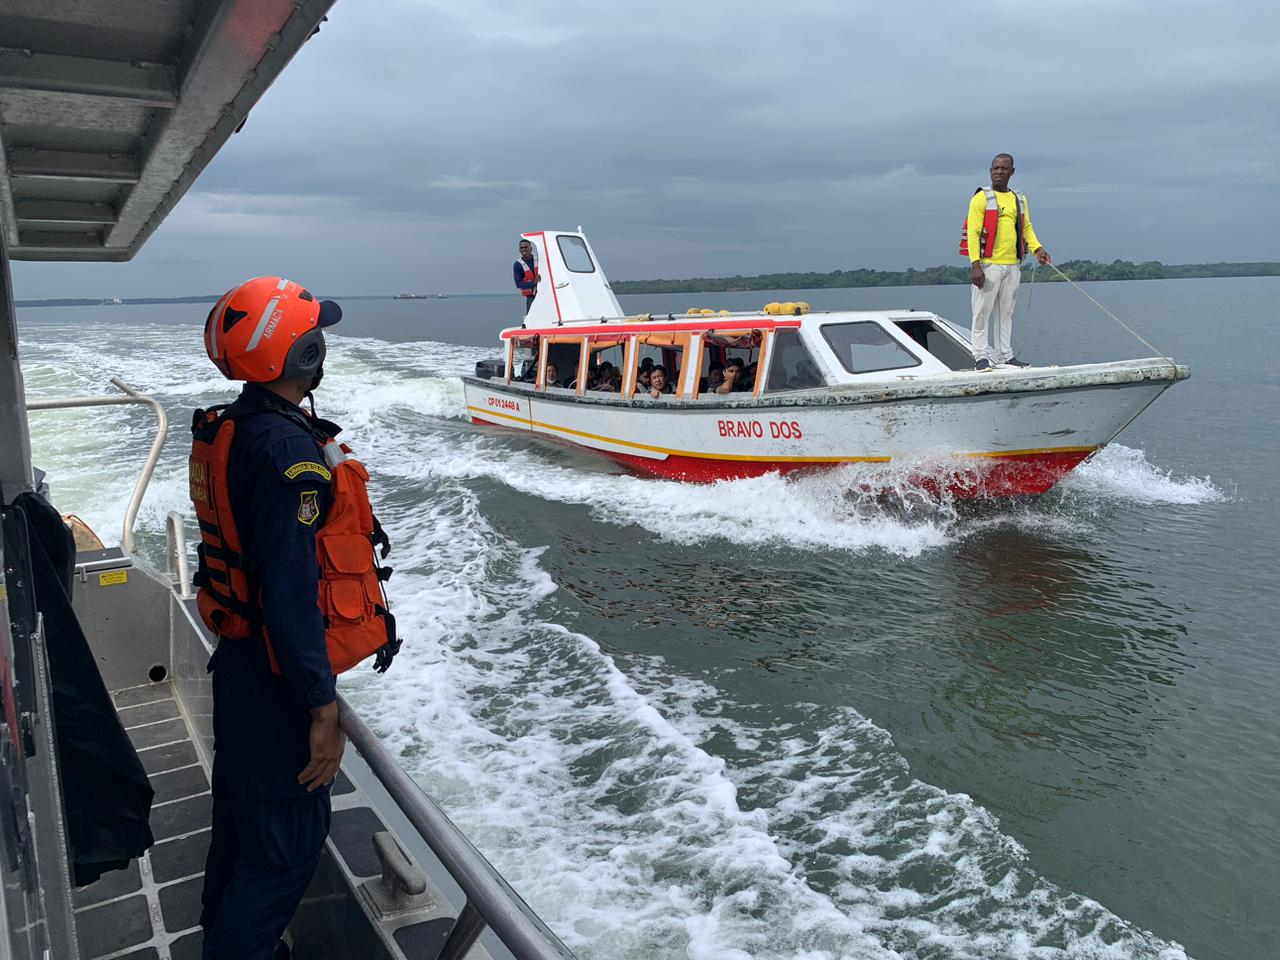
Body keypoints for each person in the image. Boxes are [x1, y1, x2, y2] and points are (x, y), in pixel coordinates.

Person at [192, 276, 400, 959]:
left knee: (241, 826)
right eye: (319, 338)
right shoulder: (288, 453)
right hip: (276, 681)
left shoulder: (238, 426)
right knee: (283, 848)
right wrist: (320, 708)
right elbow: (289, 592)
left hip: (241, 665)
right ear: (303, 355)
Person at [962, 153, 1052, 370]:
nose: (999, 172)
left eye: (1003, 169)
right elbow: (973, 233)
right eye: (995, 168)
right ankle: (980, 357)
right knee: (982, 311)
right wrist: (975, 265)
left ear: (1012, 172)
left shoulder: (1019, 199)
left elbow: (1027, 227)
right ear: (990, 171)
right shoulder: (981, 198)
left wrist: (1037, 248)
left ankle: (1005, 355)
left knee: (1006, 313)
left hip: (1012, 265)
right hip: (988, 265)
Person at [514, 239, 540, 316]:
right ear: (519, 250)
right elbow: (518, 284)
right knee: (531, 317)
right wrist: (533, 283)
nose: (524, 249)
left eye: (526, 247)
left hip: (544, 292)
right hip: (531, 296)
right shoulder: (517, 265)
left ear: (531, 249)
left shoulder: (540, 259)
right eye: (522, 248)